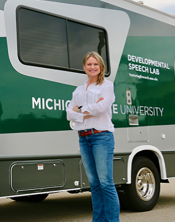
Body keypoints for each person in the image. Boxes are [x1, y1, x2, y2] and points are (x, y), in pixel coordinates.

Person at [66, 52, 119, 222]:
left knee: (106, 183)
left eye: (95, 64)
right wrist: (86, 111)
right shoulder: (79, 90)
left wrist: (79, 111)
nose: (92, 67)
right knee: (94, 185)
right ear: (84, 67)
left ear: (101, 67)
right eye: (89, 64)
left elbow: (102, 108)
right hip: (84, 138)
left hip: (102, 137)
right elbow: (68, 114)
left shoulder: (107, 86)